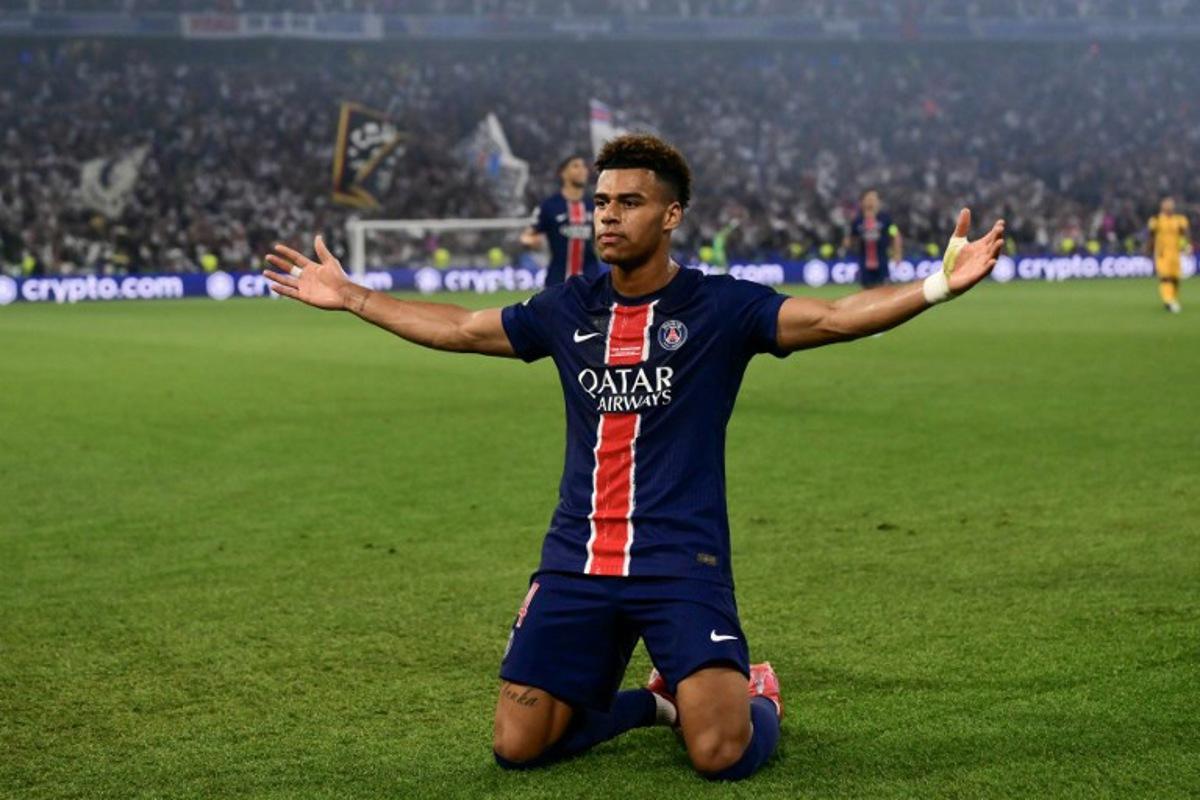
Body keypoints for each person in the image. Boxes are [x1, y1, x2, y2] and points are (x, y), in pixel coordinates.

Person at [263, 134, 1004, 782]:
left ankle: (757, 694)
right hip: (578, 560)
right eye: (603, 201)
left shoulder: (723, 308)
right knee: (518, 747)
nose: (608, 215)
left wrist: (939, 284)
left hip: (680, 559)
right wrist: (355, 297)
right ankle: (655, 702)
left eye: (629, 202)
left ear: (671, 215)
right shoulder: (566, 306)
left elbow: (837, 317)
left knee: (720, 751)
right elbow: (460, 328)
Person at [520, 154, 600, 286]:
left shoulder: (594, 205)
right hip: (557, 280)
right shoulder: (549, 205)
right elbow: (527, 236)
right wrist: (530, 241)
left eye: (584, 166)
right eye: (576, 166)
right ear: (563, 173)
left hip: (590, 279)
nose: (582, 170)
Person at [844, 189, 903, 288]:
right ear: (862, 202)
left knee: (883, 290)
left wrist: (897, 253)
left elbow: (895, 234)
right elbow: (851, 237)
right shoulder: (858, 220)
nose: (871, 202)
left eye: (874, 199)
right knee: (867, 291)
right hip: (864, 262)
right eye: (868, 199)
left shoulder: (885, 219)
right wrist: (847, 242)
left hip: (882, 260)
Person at [1147, 196, 1190, 313]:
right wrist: (1148, 250)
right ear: (1162, 206)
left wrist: (1186, 246)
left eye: (1171, 204)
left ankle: (1173, 298)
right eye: (1167, 204)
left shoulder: (1180, 220)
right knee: (1165, 277)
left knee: (1176, 278)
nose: (1169, 206)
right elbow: (1151, 236)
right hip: (1162, 253)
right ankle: (1168, 301)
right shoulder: (1156, 220)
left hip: (1175, 253)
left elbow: (1184, 235)